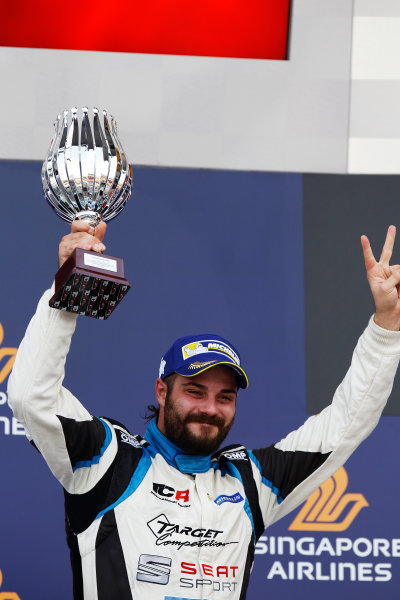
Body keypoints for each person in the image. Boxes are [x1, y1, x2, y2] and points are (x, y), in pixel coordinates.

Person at [8, 222, 400, 600]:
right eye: (195, 391)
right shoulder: (106, 461)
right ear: (162, 391)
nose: (210, 408)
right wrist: (68, 291)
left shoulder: (250, 482)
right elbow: (31, 397)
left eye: (225, 397)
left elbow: (346, 424)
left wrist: (386, 326)